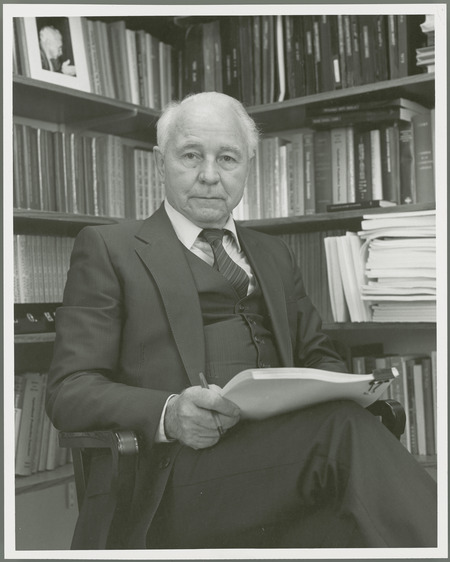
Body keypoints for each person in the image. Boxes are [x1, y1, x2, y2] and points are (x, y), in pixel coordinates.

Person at [46, 91, 437, 550]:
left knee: (350, 450)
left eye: (227, 158)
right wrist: (170, 413)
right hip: (177, 477)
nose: (209, 176)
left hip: (286, 458)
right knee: (345, 438)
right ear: (160, 161)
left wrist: (348, 388)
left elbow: (318, 355)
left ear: (249, 164)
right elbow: (69, 389)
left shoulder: (272, 254)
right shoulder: (109, 249)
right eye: (191, 155)